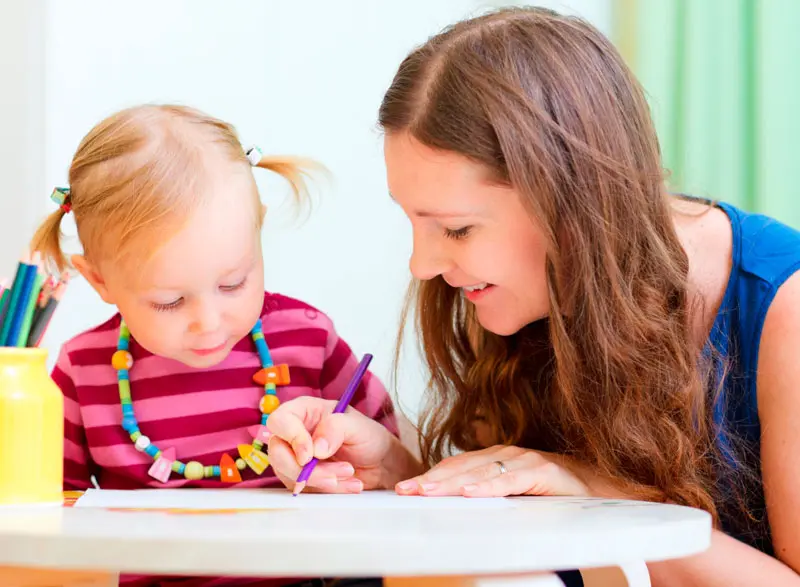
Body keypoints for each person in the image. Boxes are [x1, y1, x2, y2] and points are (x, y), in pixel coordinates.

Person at [266, 7, 800, 586]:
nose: (422, 266)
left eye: (457, 229)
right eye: (414, 223)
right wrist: (394, 470)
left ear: (570, 206)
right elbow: (527, 538)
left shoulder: (783, 306)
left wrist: (597, 499)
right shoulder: (515, 293)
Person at [33, 104, 396, 587]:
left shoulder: (308, 338)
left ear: (258, 230)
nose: (208, 323)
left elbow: (392, 473)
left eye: (233, 284)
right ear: (99, 280)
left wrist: (342, 469)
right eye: (169, 301)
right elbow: (47, 519)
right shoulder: (84, 372)